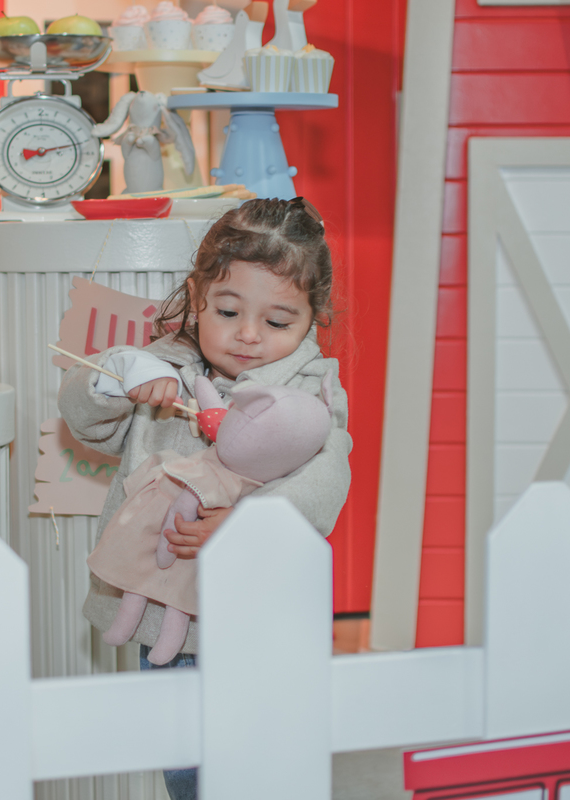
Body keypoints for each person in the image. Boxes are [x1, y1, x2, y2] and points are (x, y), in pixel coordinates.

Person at [57, 197, 352, 800]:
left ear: (311, 317)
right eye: (227, 311)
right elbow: (85, 422)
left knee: (261, 756)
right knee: (184, 759)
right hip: (164, 608)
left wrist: (246, 526)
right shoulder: (161, 368)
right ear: (197, 299)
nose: (247, 336)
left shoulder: (309, 388)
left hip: (261, 619)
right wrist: (117, 376)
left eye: (276, 322)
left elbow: (327, 477)